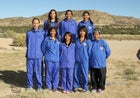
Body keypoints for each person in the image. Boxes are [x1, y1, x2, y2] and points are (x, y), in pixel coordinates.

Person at [25, 18, 45, 90]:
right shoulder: (28, 33)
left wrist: (42, 53)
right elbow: (27, 43)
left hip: (39, 56)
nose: (35, 24)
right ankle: (29, 85)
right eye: (34, 23)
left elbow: (44, 44)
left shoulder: (43, 33)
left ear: (39, 24)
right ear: (32, 23)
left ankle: (39, 86)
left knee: (38, 72)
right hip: (30, 56)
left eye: (37, 23)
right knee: (29, 72)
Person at [89, 29, 111, 93]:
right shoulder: (91, 42)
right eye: (94, 34)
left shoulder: (103, 42)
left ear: (99, 35)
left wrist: (103, 57)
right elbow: (89, 52)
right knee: (93, 77)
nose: (96, 36)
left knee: (102, 77)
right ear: (93, 35)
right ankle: (94, 87)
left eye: (97, 34)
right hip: (93, 63)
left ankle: (100, 88)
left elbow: (108, 52)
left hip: (102, 64)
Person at [73, 26, 92, 92]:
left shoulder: (88, 41)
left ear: (85, 32)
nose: (82, 32)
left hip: (85, 60)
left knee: (84, 74)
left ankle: (85, 87)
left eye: (83, 31)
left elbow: (89, 52)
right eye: (80, 31)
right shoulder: (76, 41)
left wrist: (87, 58)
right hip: (77, 60)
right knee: (76, 73)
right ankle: (75, 86)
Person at [41, 27, 60, 92]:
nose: (53, 32)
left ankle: (55, 87)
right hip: (48, 59)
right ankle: (48, 86)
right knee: (48, 73)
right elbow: (43, 48)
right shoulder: (47, 39)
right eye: (51, 31)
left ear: (56, 32)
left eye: (54, 31)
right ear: (49, 32)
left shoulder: (58, 40)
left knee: (56, 74)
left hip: (56, 60)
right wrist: (46, 55)